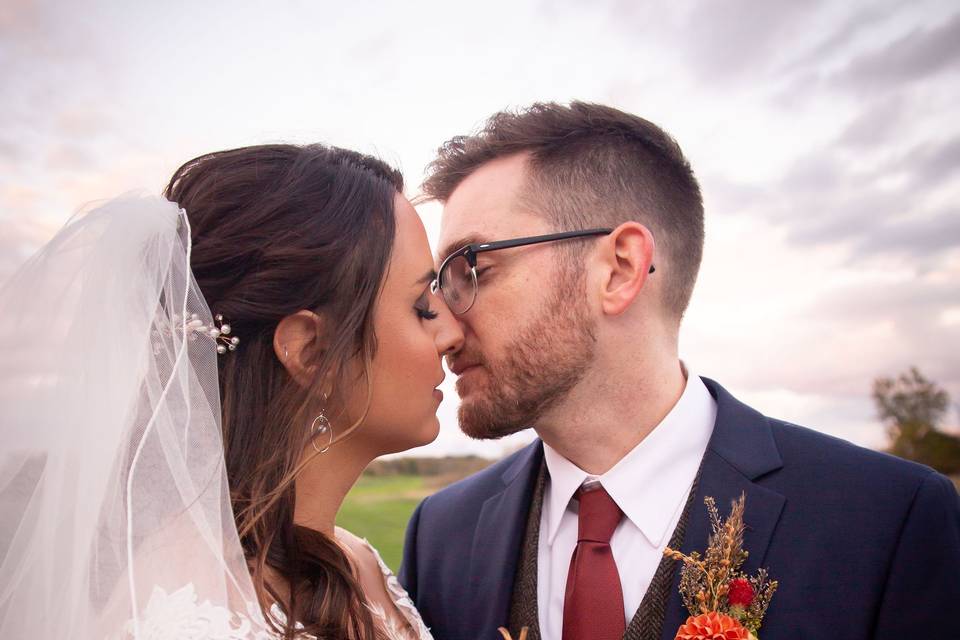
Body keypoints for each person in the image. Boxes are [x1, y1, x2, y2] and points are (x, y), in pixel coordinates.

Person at [398, 102, 960, 640]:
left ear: (619, 270)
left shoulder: (885, 523)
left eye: (471, 268)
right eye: (437, 285)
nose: (442, 325)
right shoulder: (441, 535)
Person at [0, 144, 462, 639]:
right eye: (421, 305)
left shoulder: (360, 562)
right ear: (310, 352)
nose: (452, 332)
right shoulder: (186, 615)